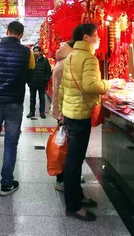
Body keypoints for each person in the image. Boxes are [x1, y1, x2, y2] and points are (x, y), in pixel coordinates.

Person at [59, 24, 110, 222]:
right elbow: (90, 86)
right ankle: (73, 206)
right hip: (80, 114)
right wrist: (109, 84)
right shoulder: (89, 58)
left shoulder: (70, 56)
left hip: (71, 113)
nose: (98, 38)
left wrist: (62, 111)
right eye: (96, 35)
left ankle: (77, 196)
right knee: (74, 160)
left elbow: (63, 87)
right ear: (86, 37)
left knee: (74, 159)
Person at [0, 21, 35, 196]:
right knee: (11, 143)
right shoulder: (27, 52)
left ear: (8, 31)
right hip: (15, 103)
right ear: (20, 35)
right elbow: (31, 78)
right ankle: (6, 184)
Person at [50, 40, 74, 191]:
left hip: (62, 109)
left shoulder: (62, 60)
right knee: (66, 146)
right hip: (67, 110)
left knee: (64, 143)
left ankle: (65, 175)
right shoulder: (69, 62)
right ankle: (63, 178)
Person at [27, 46, 52, 119]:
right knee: (32, 98)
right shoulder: (31, 60)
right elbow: (28, 71)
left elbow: (48, 71)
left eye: (37, 51)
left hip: (41, 83)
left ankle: (42, 112)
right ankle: (31, 112)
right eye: (34, 51)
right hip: (33, 83)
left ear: (40, 52)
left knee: (42, 98)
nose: (35, 52)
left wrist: (45, 79)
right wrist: (29, 81)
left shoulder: (45, 61)